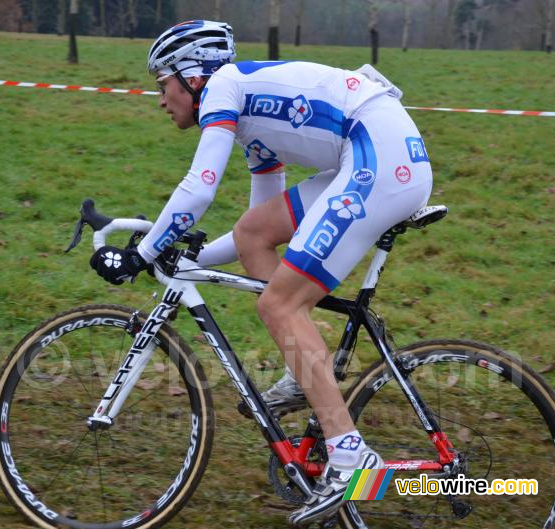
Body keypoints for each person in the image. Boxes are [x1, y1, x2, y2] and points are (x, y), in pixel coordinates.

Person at [90, 20, 433, 525]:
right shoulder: (250, 119)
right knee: (256, 238)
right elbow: (256, 230)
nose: (161, 100)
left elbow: (200, 186)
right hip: (368, 152)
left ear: (191, 77)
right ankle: (306, 373)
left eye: (163, 85)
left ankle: (348, 454)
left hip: (377, 156)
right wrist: (184, 260)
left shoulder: (225, 87)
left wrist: (141, 254)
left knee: (279, 303)